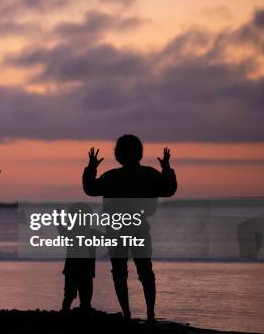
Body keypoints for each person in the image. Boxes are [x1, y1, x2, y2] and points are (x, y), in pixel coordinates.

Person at [83, 134, 177, 321]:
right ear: (139, 154)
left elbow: (90, 188)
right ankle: (150, 314)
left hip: (116, 229)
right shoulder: (149, 174)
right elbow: (169, 189)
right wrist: (166, 168)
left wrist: (92, 167)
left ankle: (127, 314)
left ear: (118, 155)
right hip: (139, 227)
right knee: (145, 271)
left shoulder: (112, 177)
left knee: (120, 272)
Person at [58, 202, 96, 314]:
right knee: (83, 298)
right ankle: (82, 311)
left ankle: (66, 312)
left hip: (74, 271)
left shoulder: (72, 232)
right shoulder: (91, 233)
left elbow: (61, 230)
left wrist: (59, 217)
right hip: (84, 272)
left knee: (69, 297)